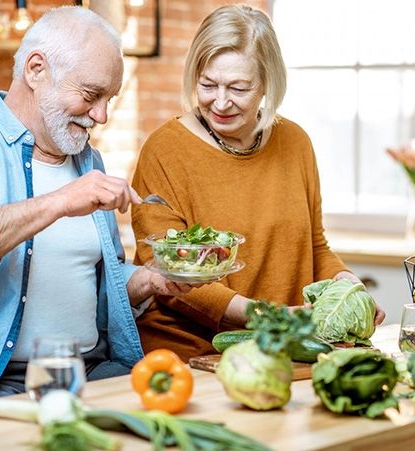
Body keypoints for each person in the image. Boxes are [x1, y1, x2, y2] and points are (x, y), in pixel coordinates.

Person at [0, 6, 194, 409]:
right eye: (91, 95)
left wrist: (150, 280)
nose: (101, 115)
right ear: (36, 70)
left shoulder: (89, 163)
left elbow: (88, 282)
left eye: (109, 99)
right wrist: (58, 202)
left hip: (95, 371)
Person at [130, 4, 386, 362]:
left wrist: (348, 288)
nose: (220, 102)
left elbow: (314, 246)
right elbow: (167, 273)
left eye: (238, 87)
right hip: (192, 355)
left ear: (267, 83)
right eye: (207, 84)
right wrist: (265, 316)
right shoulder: (165, 150)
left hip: (282, 348)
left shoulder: (295, 142)